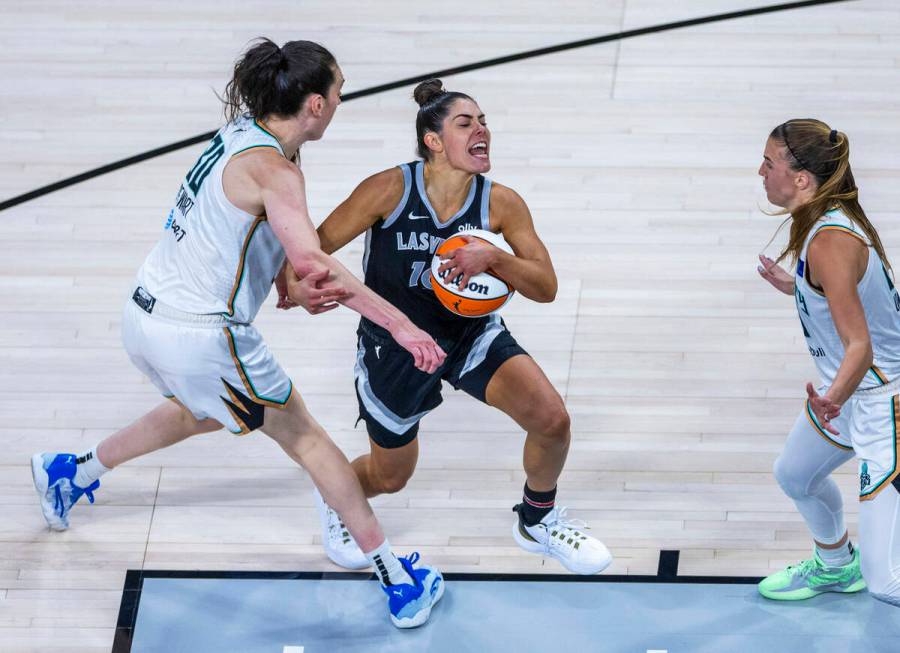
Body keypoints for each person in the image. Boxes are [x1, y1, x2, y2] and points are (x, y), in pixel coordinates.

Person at [30, 38, 447, 628]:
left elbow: (250, 228)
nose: (341, 96)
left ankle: (69, 473)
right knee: (304, 435)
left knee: (199, 409)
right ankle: (398, 582)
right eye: (339, 89)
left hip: (146, 313)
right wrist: (402, 326)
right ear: (316, 105)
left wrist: (281, 275)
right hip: (200, 333)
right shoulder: (279, 171)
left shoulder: (248, 135)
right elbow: (316, 264)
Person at [283, 79, 612, 575]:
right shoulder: (389, 189)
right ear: (433, 141)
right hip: (395, 346)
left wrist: (495, 258)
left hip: (469, 336)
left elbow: (546, 287)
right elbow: (312, 246)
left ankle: (537, 519)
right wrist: (296, 283)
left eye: (484, 122)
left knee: (552, 421)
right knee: (391, 477)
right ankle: (335, 497)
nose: (482, 130)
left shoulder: (501, 203)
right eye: (466, 123)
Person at [756, 119, 900, 606]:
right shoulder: (819, 220)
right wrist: (795, 286)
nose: (761, 171)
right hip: (850, 393)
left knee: (888, 584)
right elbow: (846, 303)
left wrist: (831, 400)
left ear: (801, 179)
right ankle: (836, 566)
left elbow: (860, 345)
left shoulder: (829, 240)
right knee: (795, 475)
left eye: (769, 162)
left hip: (884, 405)